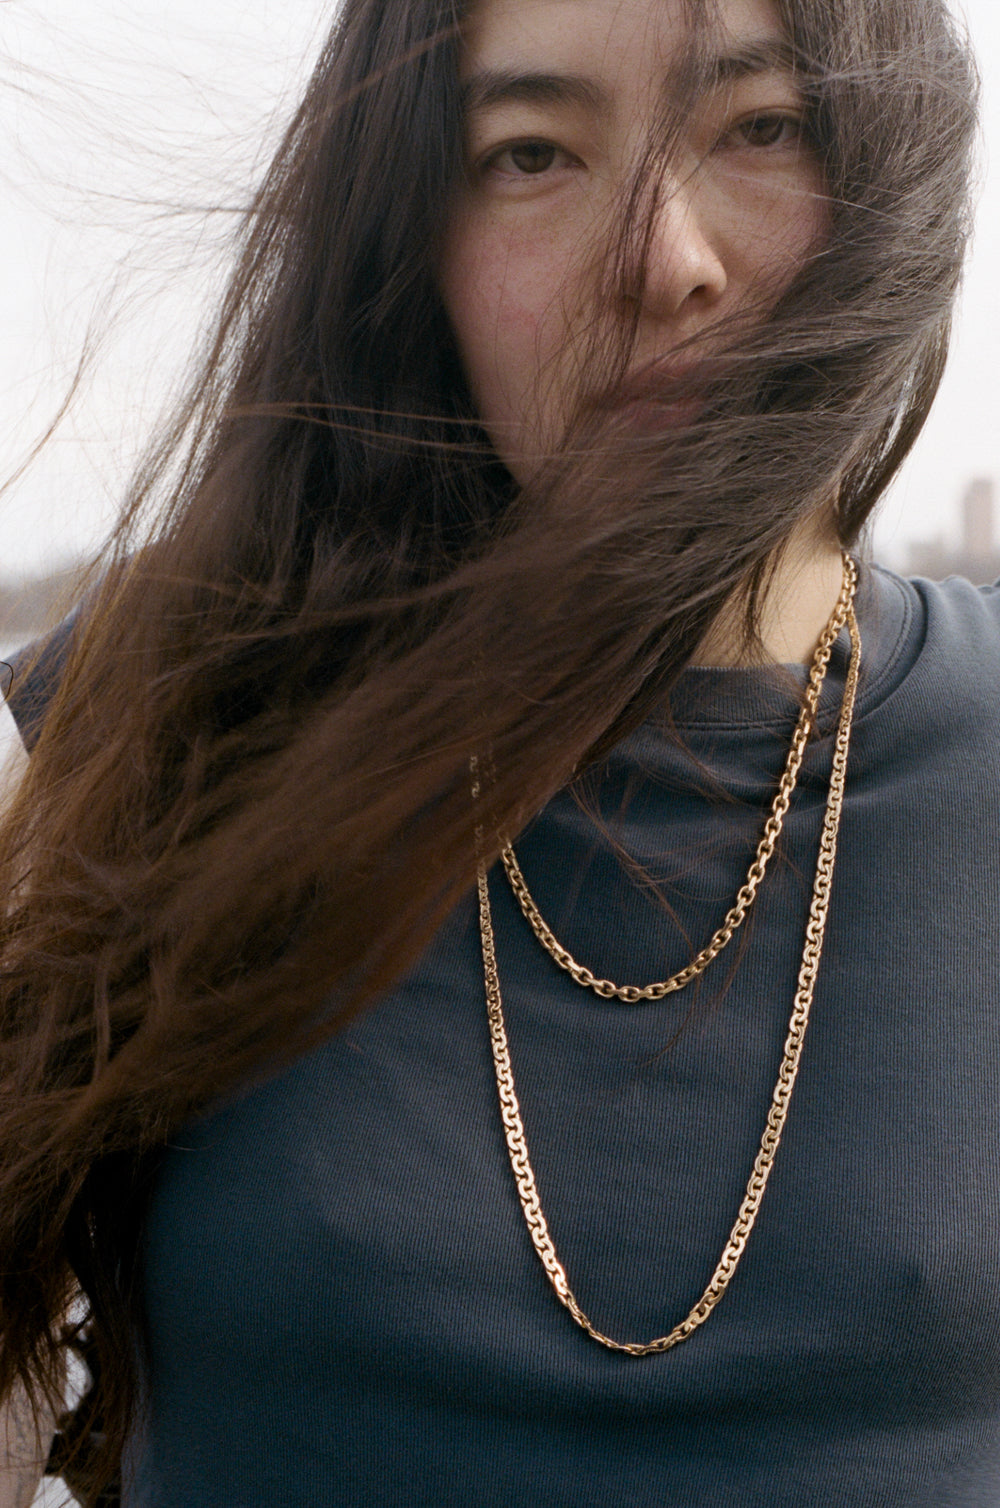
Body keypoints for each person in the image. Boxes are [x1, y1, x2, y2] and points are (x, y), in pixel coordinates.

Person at [0, 0, 989, 1502]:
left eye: (759, 128)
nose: (666, 264)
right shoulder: (135, 733)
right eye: (533, 154)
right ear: (411, 240)